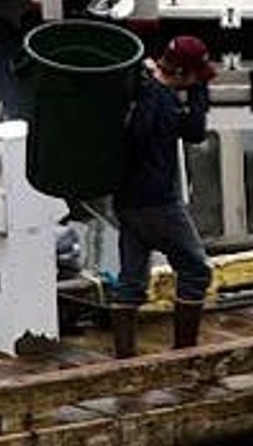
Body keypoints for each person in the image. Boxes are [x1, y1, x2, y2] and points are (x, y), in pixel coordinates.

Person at [107, 33, 217, 354]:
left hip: (127, 201)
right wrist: (166, 98)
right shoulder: (156, 97)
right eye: (195, 75)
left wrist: (198, 90)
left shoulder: (147, 90)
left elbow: (194, 131)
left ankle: (124, 358)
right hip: (158, 202)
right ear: (181, 73)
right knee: (196, 271)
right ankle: (184, 353)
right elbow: (143, 133)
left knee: (130, 283)